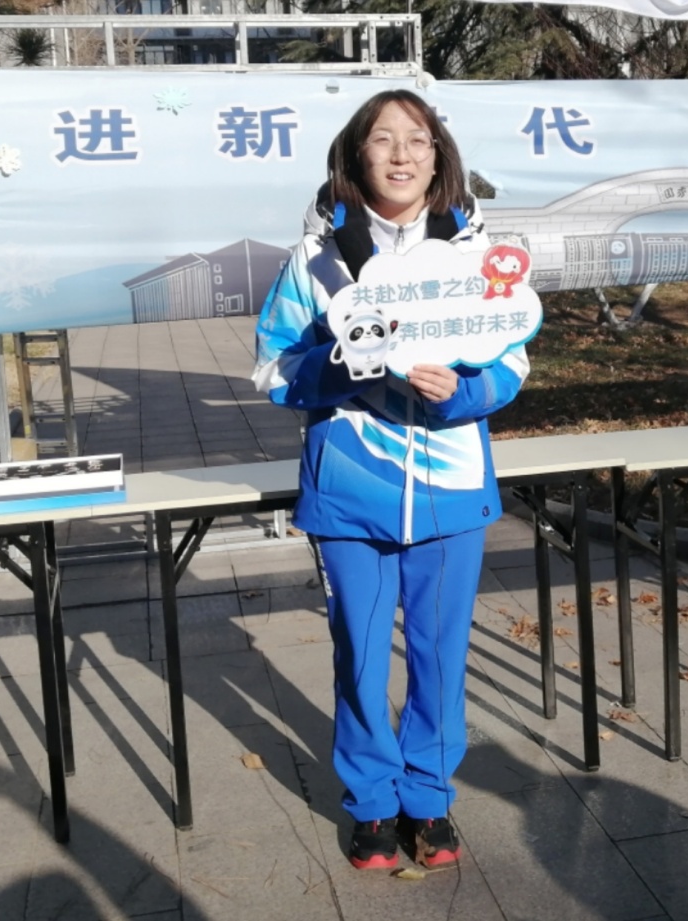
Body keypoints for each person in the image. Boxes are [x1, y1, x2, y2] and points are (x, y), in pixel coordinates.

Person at [252, 89, 529, 871]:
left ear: (439, 157)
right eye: (383, 138)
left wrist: (464, 393)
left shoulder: (477, 258)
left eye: (418, 139)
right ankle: (372, 802)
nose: (402, 154)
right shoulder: (315, 261)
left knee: (441, 654)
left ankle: (429, 797)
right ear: (356, 154)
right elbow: (272, 367)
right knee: (361, 654)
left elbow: (513, 361)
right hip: (351, 492)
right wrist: (340, 366)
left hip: (452, 489)